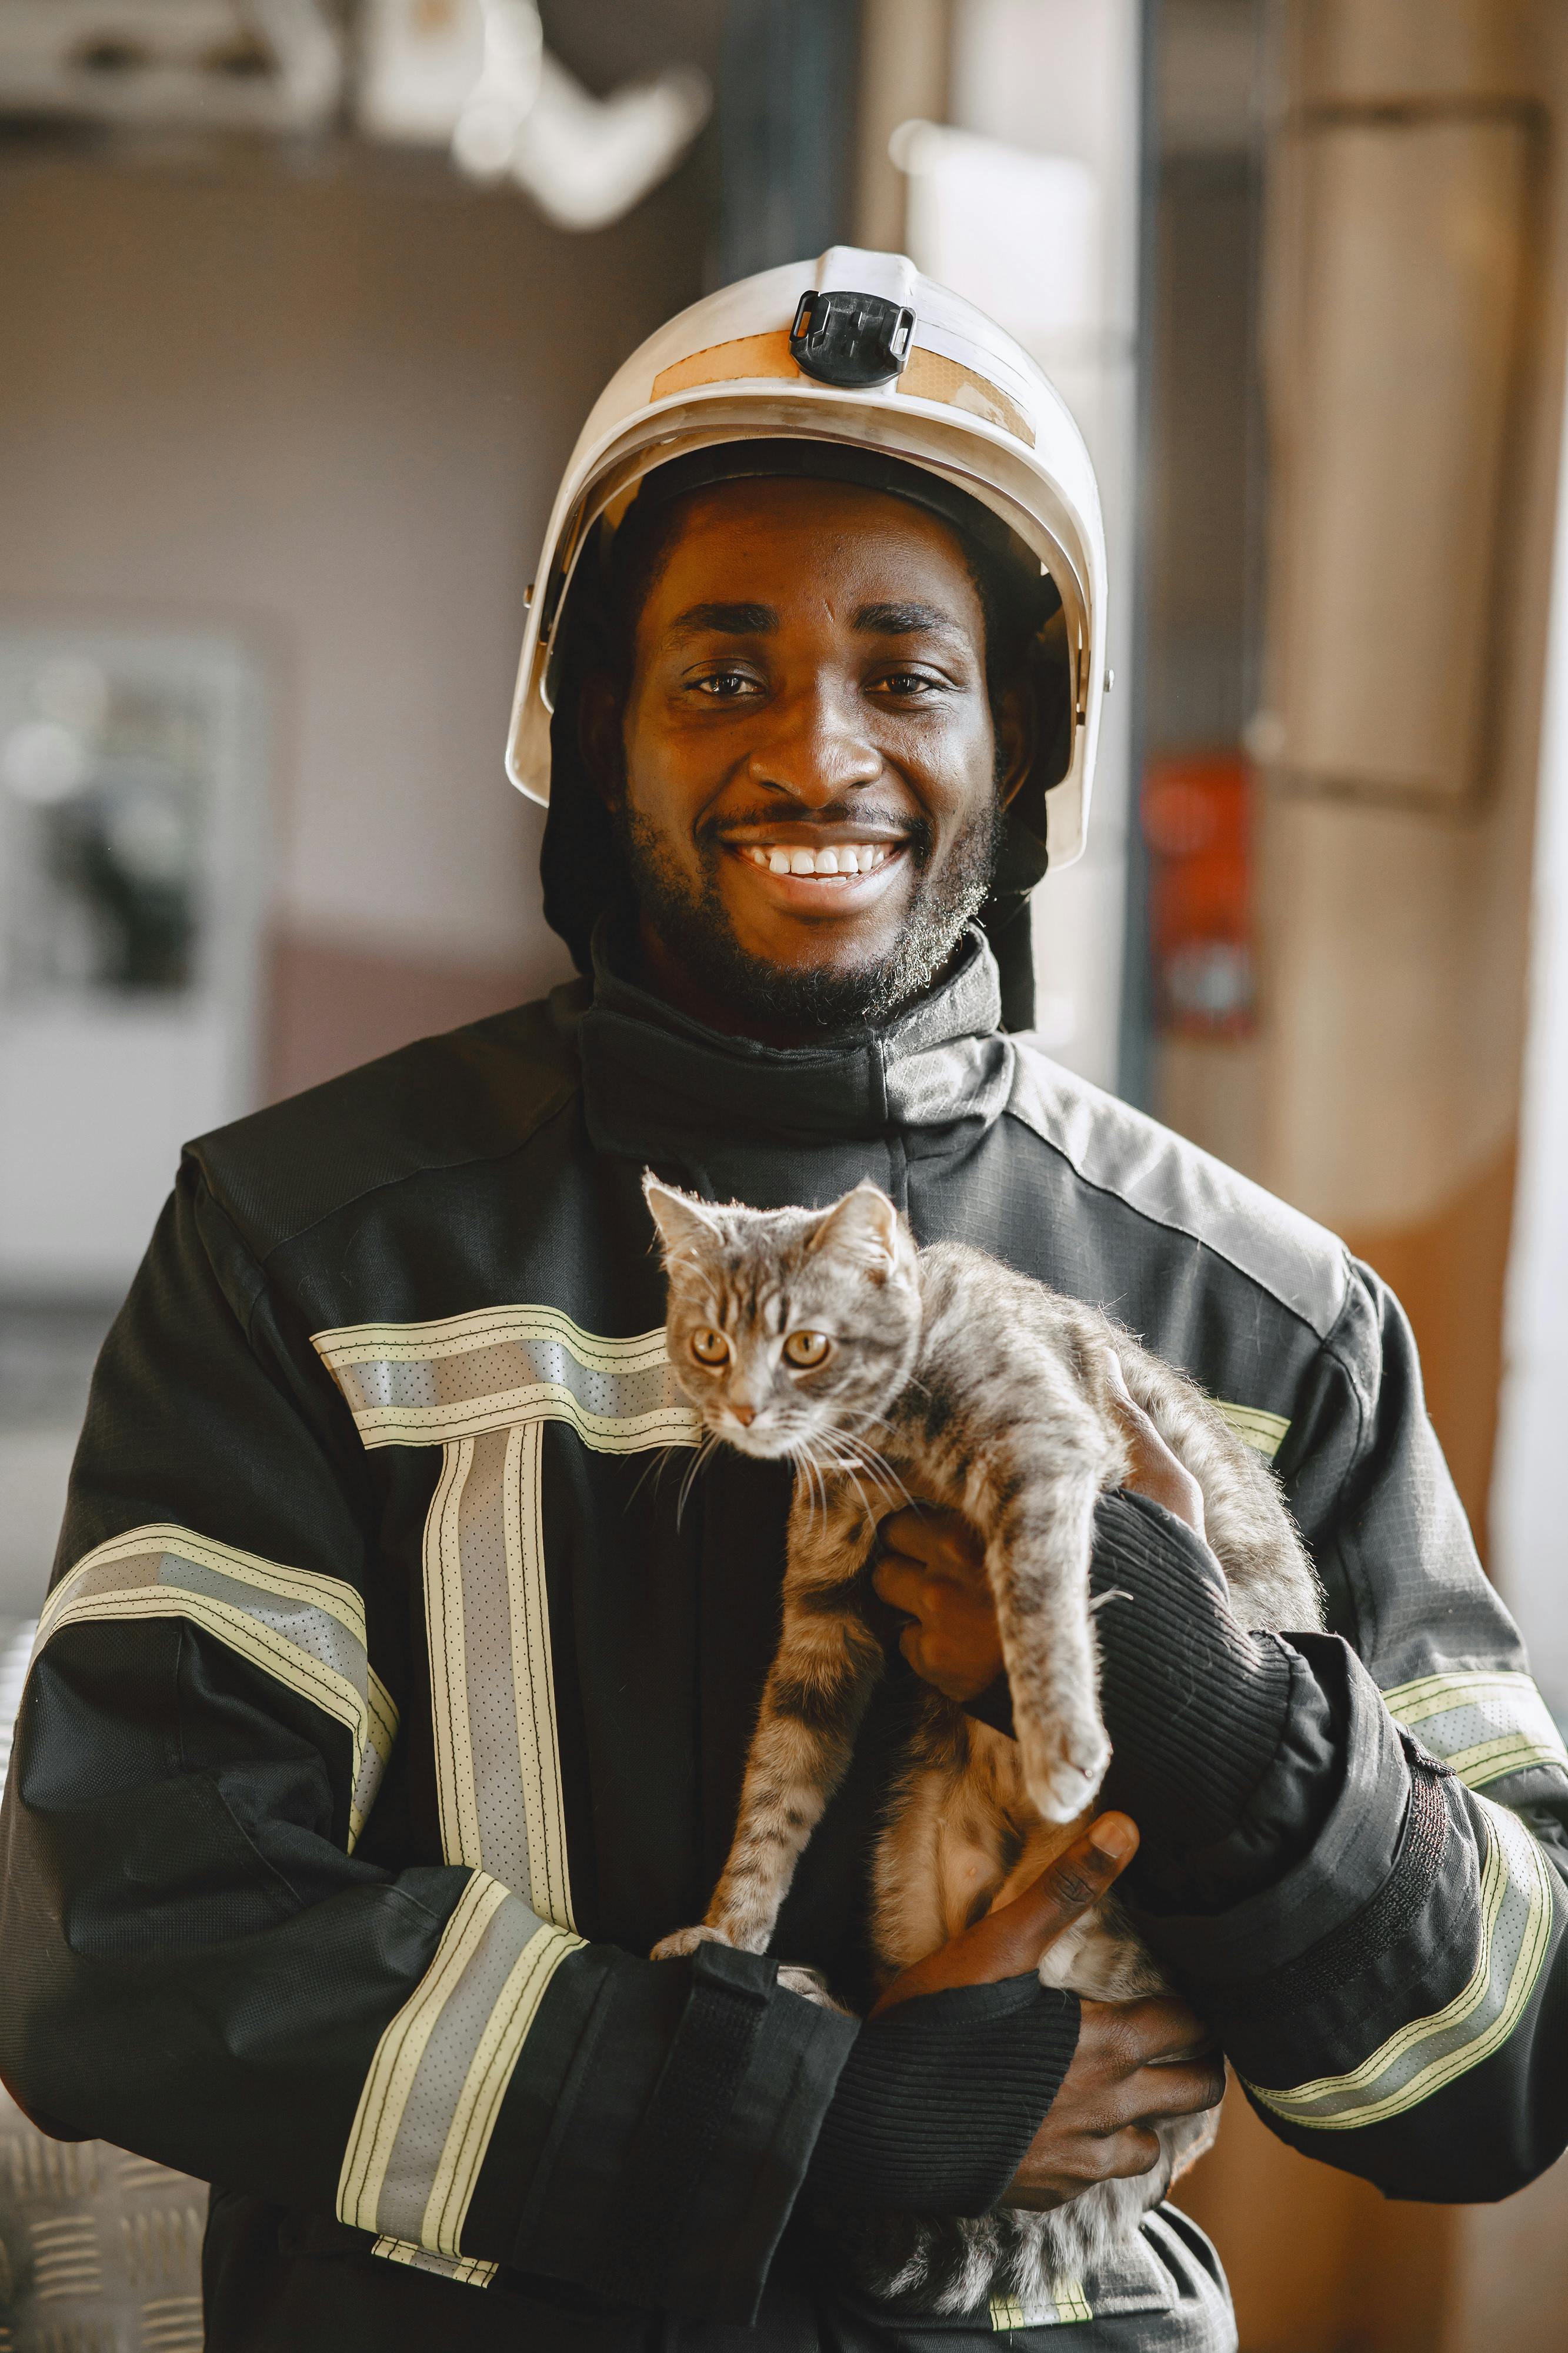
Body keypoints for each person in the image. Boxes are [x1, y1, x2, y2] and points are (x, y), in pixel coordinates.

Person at [2, 248, 1565, 2353]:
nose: (816, 749)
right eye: (719, 671)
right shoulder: (311, 1249)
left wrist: (1231, 1723)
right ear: (594, 727)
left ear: (1018, 738)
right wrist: (799, 2120)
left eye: (905, 674)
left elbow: (1498, 2071)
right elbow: (126, 1944)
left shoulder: (1262, 1323)